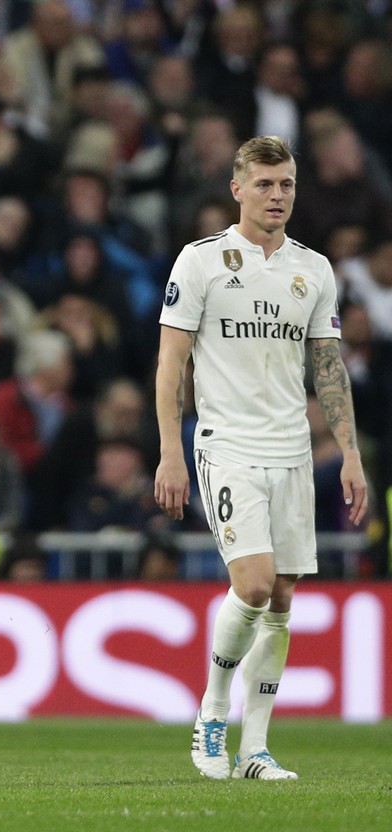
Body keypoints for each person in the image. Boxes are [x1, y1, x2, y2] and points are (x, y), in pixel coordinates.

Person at [154, 136, 368, 782]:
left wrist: (351, 455)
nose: (278, 196)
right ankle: (213, 712)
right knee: (250, 584)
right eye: (266, 184)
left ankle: (257, 748)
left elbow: (327, 365)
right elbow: (171, 363)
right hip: (228, 443)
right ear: (237, 189)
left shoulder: (313, 269)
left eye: (287, 185)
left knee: (280, 597)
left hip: (292, 450)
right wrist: (169, 449)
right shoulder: (201, 262)